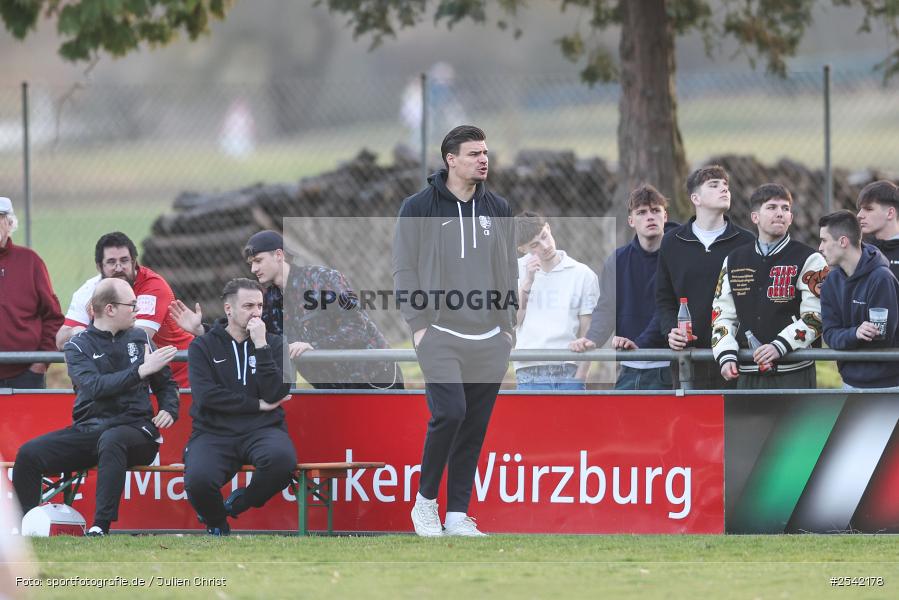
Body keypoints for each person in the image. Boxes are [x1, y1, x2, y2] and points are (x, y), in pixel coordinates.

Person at [393, 125, 517, 537]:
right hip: (439, 333)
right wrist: (417, 325)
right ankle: (425, 504)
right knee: (450, 413)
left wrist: (507, 328)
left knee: (474, 426)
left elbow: (509, 271)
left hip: (489, 339)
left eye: (485, 152)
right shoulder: (418, 206)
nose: (483, 159)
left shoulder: (498, 207)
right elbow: (403, 268)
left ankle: (458, 515)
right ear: (450, 159)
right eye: (473, 153)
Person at [13, 278, 179, 536]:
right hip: (90, 430)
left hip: (136, 431)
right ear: (110, 309)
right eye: (132, 305)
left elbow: (165, 383)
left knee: (113, 439)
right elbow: (96, 387)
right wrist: (140, 370)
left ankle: (100, 526)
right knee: (28, 454)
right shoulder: (78, 346)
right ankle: (25, 529)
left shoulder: (140, 338)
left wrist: (169, 408)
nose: (138, 310)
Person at [170, 230, 403, 390]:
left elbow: (357, 327)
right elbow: (246, 334)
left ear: (279, 255)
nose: (253, 269)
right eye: (251, 263)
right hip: (331, 389)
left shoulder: (323, 279)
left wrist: (315, 347)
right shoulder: (269, 299)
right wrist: (202, 329)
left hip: (374, 381)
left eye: (258, 261)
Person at [184, 278, 295, 536]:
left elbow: (277, 392)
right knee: (198, 481)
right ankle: (217, 522)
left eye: (259, 306)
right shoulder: (203, 346)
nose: (256, 312)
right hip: (213, 431)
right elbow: (207, 396)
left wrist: (261, 346)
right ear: (229, 309)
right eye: (248, 306)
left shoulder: (275, 344)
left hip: (263, 430)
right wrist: (256, 404)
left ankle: (239, 503)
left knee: (282, 461)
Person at [711, 184, 829, 389]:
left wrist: (780, 345)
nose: (780, 214)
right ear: (755, 217)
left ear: (791, 218)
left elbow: (817, 316)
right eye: (772, 207)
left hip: (794, 372)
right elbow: (722, 314)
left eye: (785, 209)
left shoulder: (810, 259)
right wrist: (725, 353)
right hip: (747, 372)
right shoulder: (734, 259)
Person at [656, 165, 754, 389]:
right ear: (695, 198)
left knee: (734, 423)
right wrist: (671, 331)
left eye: (726, 185)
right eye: (714, 185)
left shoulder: (746, 242)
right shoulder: (672, 242)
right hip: (688, 356)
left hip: (735, 357)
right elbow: (663, 298)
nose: (724, 189)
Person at [55, 232, 194, 387]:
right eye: (111, 262)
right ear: (99, 266)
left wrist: (86, 333)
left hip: (178, 379)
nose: (119, 267)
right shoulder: (89, 290)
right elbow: (61, 340)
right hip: (130, 379)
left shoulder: (153, 287)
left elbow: (136, 340)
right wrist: (76, 332)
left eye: (124, 260)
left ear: (134, 262)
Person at [569, 184, 675, 390]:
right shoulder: (618, 260)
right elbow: (606, 309)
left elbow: (667, 311)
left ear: (665, 216)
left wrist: (639, 345)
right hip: (628, 368)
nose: (650, 217)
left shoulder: (678, 256)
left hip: (668, 366)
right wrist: (592, 340)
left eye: (656, 211)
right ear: (631, 221)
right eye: (642, 212)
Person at [513, 212, 598, 390]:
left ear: (549, 228)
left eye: (545, 236)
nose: (545, 246)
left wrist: (580, 377)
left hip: (568, 370)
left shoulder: (583, 274)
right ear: (522, 249)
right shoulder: (513, 271)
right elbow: (513, 322)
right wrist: (527, 283)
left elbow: (587, 331)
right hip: (529, 372)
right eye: (535, 245)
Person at [819, 210, 899, 389]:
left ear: (843, 241)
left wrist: (850, 336)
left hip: (888, 385)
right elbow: (830, 335)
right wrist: (855, 333)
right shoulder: (830, 282)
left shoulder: (881, 278)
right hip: (849, 383)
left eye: (824, 240)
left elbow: (882, 339)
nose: (820, 248)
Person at [0, 197, 64, 388]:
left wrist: (40, 362)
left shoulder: (30, 261)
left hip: (25, 375)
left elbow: (53, 316)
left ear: (9, 222)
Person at [856, 180, 899, 279]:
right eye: (860, 209)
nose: (859, 215)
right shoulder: (861, 251)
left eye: (869, 209)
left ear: (890, 213)